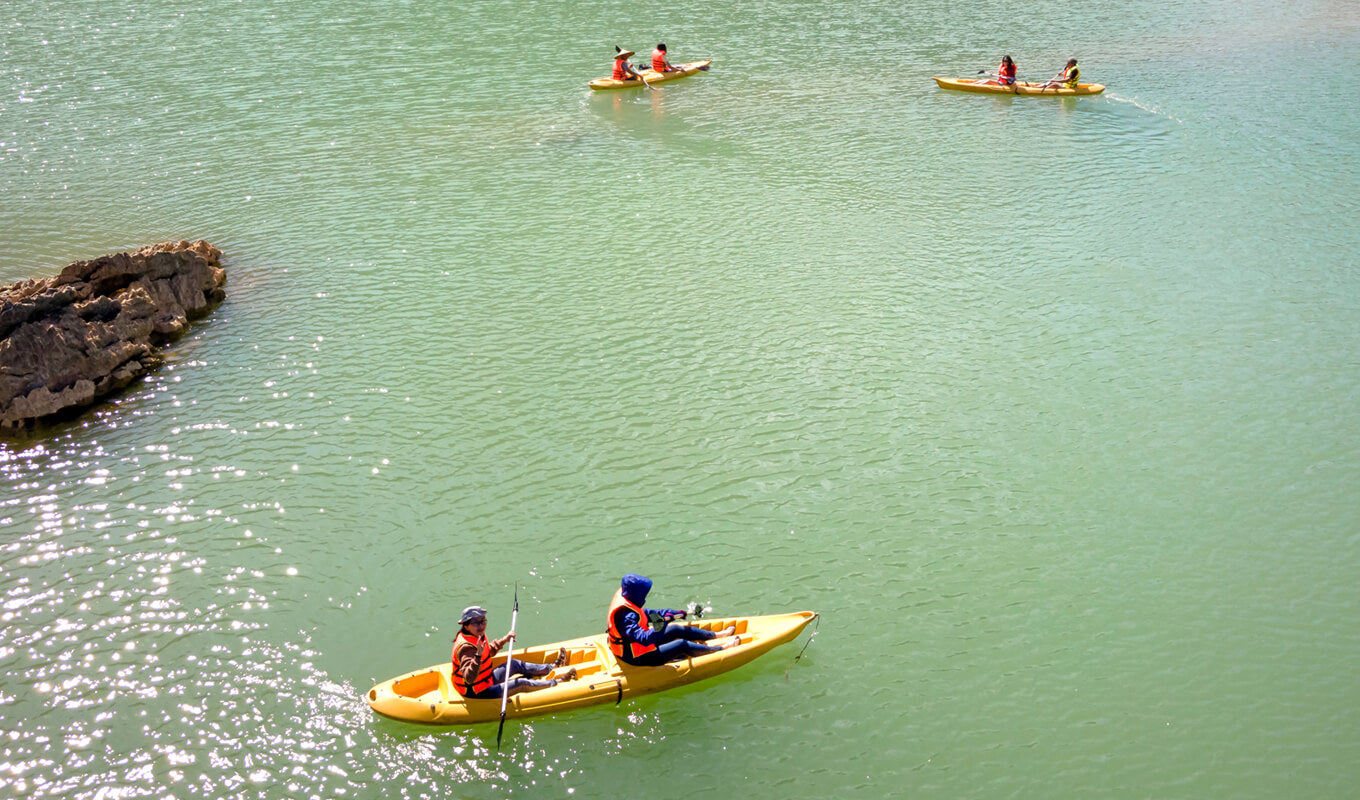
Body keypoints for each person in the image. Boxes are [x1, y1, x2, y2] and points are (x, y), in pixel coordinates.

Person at [606, 574, 738, 666]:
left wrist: (672, 613)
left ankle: (716, 635)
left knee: (675, 628)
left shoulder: (628, 600)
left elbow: (646, 614)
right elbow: (645, 639)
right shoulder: (624, 617)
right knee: (681, 644)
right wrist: (661, 625)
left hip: (639, 647)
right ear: (636, 594)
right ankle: (721, 649)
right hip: (637, 657)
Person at [450, 606, 574, 699]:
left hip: (486, 680)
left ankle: (551, 667)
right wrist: (477, 655)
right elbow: (469, 678)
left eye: (483, 621)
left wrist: (504, 640)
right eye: (476, 622)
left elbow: (488, 652)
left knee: (513, 664)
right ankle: (556, 682)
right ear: (466, 626)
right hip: (477, 691)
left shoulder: (476, 634)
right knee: (521, 683)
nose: (481, 625)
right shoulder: (466, 648)